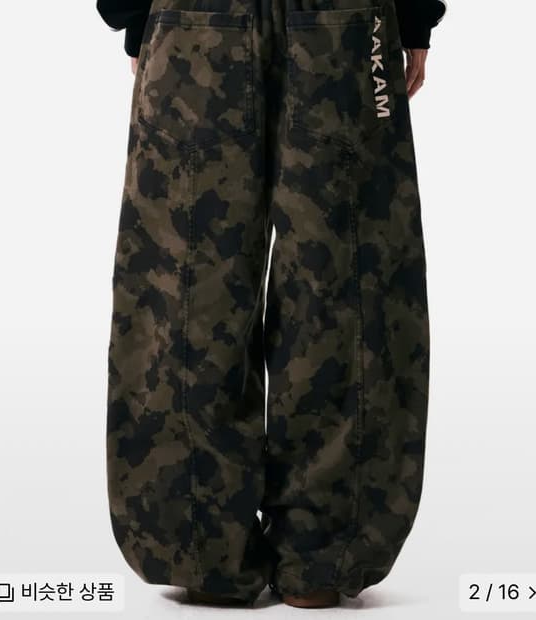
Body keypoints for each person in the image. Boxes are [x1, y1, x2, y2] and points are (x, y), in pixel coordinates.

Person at [97, 0, 446, 609]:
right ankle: (328, 554)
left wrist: (134, 14)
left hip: (194, 21)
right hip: (343, 24)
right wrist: (412, 17)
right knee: (348, 285)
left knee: (181, 285)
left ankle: (199, 550)